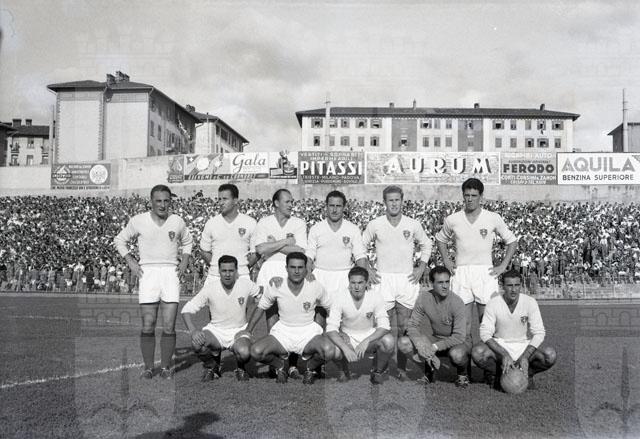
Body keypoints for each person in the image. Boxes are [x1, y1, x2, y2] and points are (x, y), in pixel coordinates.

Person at [114, 184, 193, 380]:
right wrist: (131, 261)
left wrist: (184, 260)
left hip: (170, 273)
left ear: (170, 202)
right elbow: (119, 240)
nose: (162, 205)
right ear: (151, 202)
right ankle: (148, 368)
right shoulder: (138, 221)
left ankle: (165, 367)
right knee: (148, 325)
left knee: (169, 325)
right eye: (158, 201)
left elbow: (187, 241)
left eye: (166, 201)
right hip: (147, 273)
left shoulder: (177, 221)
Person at [435, 178, 517, 347]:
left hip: (485, 273)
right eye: (467, 195)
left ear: (481, 196)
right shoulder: (453, 219)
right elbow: (440, 239)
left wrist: (503, 266)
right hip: (461, 273)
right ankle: (464, 363)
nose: (470, 199)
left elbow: (512, 241)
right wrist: (446, 260)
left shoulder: (493, 218)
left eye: (474, 195)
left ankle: (487, 362)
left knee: (486, 323)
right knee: (462, 325)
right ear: (463, 196)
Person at [362, 185, 432, 381]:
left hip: (406, 279)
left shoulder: (413, 224)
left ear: (402, 201)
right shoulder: (375, 224)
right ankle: (379, 367)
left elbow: (427, 244)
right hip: (383, 279)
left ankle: (401, 368)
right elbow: (360, 245)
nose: (394, 203)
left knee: (403, 327)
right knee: (382, 327)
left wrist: (421, 267)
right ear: (384, 202)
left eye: (397, 200)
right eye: (390, 200)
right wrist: (368, 268)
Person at [248, 252, 334, 385]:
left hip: (308, 333)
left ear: (306, 269)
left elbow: (331, 308)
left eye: (300, 267)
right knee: (255, 351)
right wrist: (248, 331)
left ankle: (309, 368)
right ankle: (281, 366)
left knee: (329, 350)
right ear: (286, 268)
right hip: (283, 333)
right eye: (293, 267)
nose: (296, 271)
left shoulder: (315, 286)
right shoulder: (276, 285)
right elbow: (261, 307)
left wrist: (338, 330)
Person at [251, 189, 308, 377]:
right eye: (287, 201)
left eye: (292, 201)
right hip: (269, 271)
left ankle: (292, 364)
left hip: (291, 270)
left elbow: (299, 251)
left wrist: (274, 245)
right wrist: (285, 242)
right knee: (272, 316)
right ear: (276, 203)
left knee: (292, 316)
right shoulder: (264, 222)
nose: (291, 204)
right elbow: (260, 249)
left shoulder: (298, 223)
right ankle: (277, 364)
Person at [471, 269, 556, 390]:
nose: (514, 289)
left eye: (517, 285)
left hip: (522, 345)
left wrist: (525, 356)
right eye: (509, 285)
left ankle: (527, 374)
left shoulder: (530, 302)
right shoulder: (493, 303)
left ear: (521, 285)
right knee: (477, 352)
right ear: (502, 286)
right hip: (501, 344)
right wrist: (504, 354)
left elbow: (539, 333)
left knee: (550, 355)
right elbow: (485, 333)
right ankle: (497, 374)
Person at [181, 255, 261, 381]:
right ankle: (212, 366)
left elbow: (262, 299)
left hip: (239, 330)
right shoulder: (210, 288)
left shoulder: (246, 284)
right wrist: (193, 331)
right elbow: (186, 309)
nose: (227, 274)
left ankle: (241, 367)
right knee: (197, 343)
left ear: (236, 271)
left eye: (231, 271)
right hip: (216, 331)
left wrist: (249, 329)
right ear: (219, 271)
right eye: (224, 271)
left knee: (244, 352)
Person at [397, 266, 470, 387]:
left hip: (457, 342)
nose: (445, 286)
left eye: (447, 282)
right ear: (431, 283)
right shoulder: (424, 297)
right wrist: (419, 344)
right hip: (436, 338)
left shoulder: (457, 302)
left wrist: (434, 347)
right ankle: (429, 370)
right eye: (440, 282)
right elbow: (412, 325)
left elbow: (459, 337)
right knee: (403, 342)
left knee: (457, 354)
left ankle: (462, 374)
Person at [326, 266, 394, 384]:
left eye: (360, 283)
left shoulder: (375, 296)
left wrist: (366, 341)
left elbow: (384, 326)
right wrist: (345, 348)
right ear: (349, 283)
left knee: (389, 341)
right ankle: (343, 369)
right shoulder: (339, 297)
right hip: (347, 337)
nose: (356, 287)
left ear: (366, 283)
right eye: (353, 283)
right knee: (333, 349)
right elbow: (331, 329)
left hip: (368, 335)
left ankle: (377, 371)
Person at [306, 189, 368, 318]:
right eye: (331, 205)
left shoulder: (352, 229)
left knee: (342, 320)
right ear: (326, 206)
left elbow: (360, 257)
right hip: (320, 276)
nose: (334, 210)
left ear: (344, 207)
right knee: (318, 319)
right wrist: (307, 273)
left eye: (338, 206)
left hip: (343, 278)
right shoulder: (316, 229)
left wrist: (362, 279)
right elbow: (309, 255)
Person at [199, 184, 257, 281]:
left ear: (235, 200)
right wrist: (217, 266)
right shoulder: (211, 223)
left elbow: (256, 252)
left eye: (225, 199)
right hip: (215, 276)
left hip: (241, 276)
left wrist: (243, 267)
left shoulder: (250, 222)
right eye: (219, 199)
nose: (221, 202)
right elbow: (204, 251)